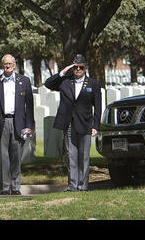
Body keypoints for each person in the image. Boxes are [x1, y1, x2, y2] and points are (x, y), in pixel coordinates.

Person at [44, 54, 101, 192]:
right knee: (71, 155)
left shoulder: (93, 84)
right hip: (68, 123)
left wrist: (95, 126)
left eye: (81, 67)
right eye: (76, 67)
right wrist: (63, 71)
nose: (78, 70)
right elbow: (48, 84)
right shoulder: (65, 82)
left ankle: (83, 185)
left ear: (86, 68)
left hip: (85, 123)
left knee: (84, 156)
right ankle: (72, 185)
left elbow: (98, 107)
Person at [0, 54, 34, 195]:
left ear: (14, 65)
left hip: (18, 122)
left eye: (10, 64)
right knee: (2, 157)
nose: (7, 66)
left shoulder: (24, 81)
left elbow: (29, 106)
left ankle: (16, 186)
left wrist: (29, 126)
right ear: (2, 65)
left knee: (16, 156)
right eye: (5, 64)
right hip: (1, 123)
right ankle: (5, 187)